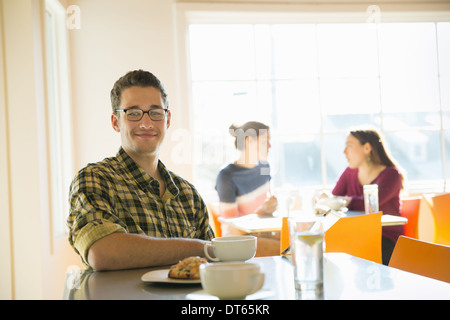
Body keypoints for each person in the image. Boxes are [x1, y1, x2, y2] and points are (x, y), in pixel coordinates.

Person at [67, 70, 214, 271]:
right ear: (115, 122)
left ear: (167, 119)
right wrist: (199, 248)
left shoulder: (189, 195)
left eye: (155, 113)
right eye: (133, 113)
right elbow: (102, 253)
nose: (146, 123)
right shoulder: (95, 179)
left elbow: (213, 266)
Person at [332, 129, 405, 265]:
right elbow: (334, 198)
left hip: (385, 238)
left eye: (349, 146)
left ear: (366, 148)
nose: (344, 152)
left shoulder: (391, 175)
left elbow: (369, 204)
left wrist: (342, 202)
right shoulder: (349, 172)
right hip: (358, 235)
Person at [215, 121, 279, 255]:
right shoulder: (227, 176)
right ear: (249, 141)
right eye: (264, 142)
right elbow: (231, 224)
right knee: (288, 247)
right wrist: (261, 213)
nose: (270, 146)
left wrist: (270, 207)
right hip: (238, 241)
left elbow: (266, 205)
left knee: (295, 238)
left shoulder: (264, 167)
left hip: (262, 233)